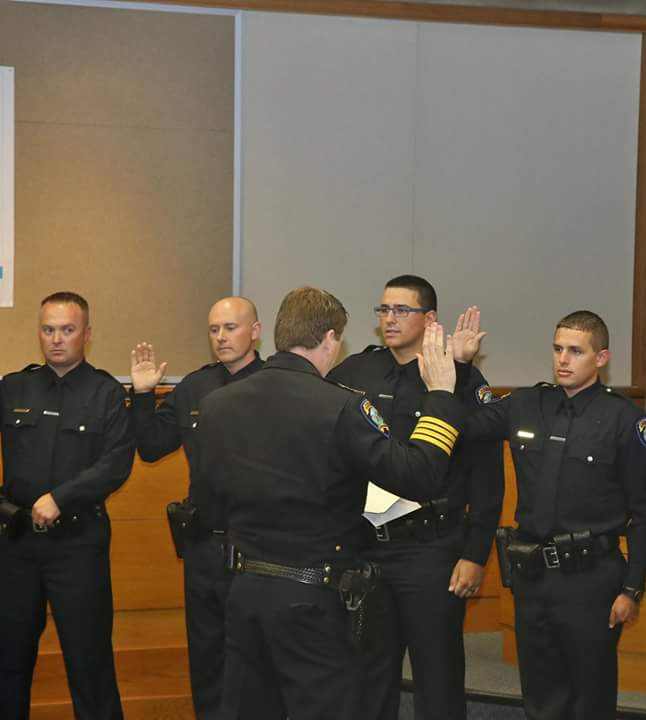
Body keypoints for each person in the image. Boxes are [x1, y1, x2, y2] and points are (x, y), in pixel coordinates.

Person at [197, 286, 465, 720]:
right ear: (330, 339)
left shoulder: (216, 406)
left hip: (244, 590)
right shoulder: (340, 407)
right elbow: (418, 476)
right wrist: (441, 397)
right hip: (312, 597)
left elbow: (209, 503)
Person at [0, 292, 134, 720]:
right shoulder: (16, 386)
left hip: (78, 547)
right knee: (9, 666)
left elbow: (116, 464)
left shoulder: (105, 393)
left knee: (90, 666)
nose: (57, 339)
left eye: (67, 330)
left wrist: (61, 498)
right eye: (48, 329)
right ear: (39, 333)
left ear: (87, 334)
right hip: (18, 548)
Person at [463, 310, 646, 720]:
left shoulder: (625, 418)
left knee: (590, 695)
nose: (563, 360)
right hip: (533, 574)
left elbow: (644, 511)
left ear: (601, 358)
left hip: (591, 578)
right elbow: (467, 425)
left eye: (575, 351)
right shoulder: (525, 403)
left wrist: (633, 588)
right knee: (540, 693)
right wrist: (462, 367)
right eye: (557, 349)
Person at [327, 275, 504, 720]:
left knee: (438, 678)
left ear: (429, 320)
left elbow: (486, 472)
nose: (389, 319)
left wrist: (476, 553)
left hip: (431, 549)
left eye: (401, 310)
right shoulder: (354, 374)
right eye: (383, 310)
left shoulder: (457, 377)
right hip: (365, 545)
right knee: (369, 674)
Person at [129, 296, 264, 719]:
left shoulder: (274, 384)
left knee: (257, 662)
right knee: (206, 660)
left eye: (231, 328)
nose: (221, 337)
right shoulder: (195, 386)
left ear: (255, 331)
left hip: (259, 549)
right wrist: (143, 394)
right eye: (214, 330)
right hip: (204, 547)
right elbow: (151, 447)